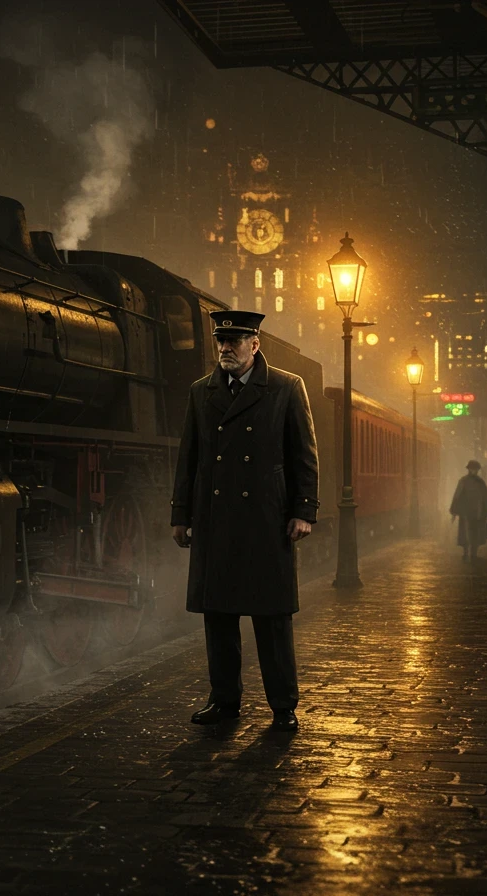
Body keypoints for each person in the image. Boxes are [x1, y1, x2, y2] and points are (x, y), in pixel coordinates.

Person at [170, 309, 320, 733]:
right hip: (215, 519)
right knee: (218, 615)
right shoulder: (202, 392)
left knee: (272, 619)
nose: (225, 349)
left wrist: (303, 510)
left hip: (267, 519)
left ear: (255, 344)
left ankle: (283, 706)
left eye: (234, 341)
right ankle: (224, 701)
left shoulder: (287, 387)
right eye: (221, 341)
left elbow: (303, 456)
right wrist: (180, 514)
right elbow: (189, 459)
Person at [450, 460, 487, 561]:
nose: (474, 471)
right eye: (473, 469)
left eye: (476, 469)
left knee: (475, 533)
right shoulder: (464, 481)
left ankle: (473, 553)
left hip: (478, 513)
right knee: (466, 533)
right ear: (469, 469)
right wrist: (454, 510)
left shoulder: (479, 482)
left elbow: (486, 497)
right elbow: (457, 496)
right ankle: (466, 553)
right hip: (466, 512)